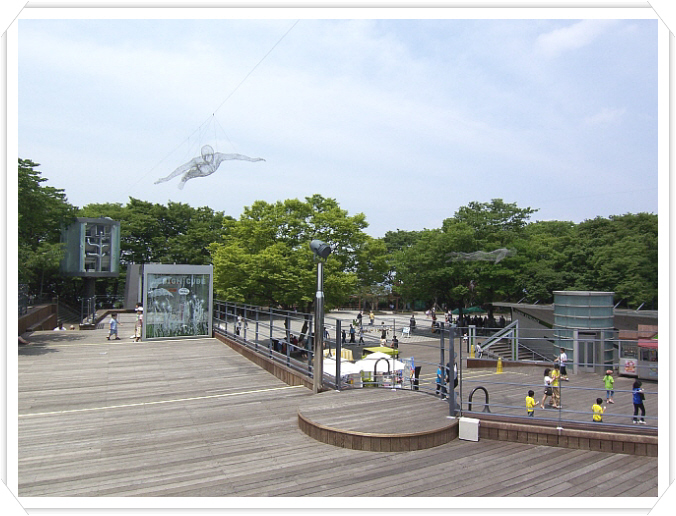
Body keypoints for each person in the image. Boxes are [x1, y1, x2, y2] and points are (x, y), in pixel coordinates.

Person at [154, 144, 265, 189]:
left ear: (212, 155)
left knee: (206, 168)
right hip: (200, 171)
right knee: (192, 171)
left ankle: (187, 176)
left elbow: (235, 156)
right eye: (205, 157)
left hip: (211, 170)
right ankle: (185, 178)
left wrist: (252, 160)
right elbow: (181, 168)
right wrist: (166, 179)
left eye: (209, 156)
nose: (207, 159)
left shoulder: (218, 156)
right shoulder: (197, 160)